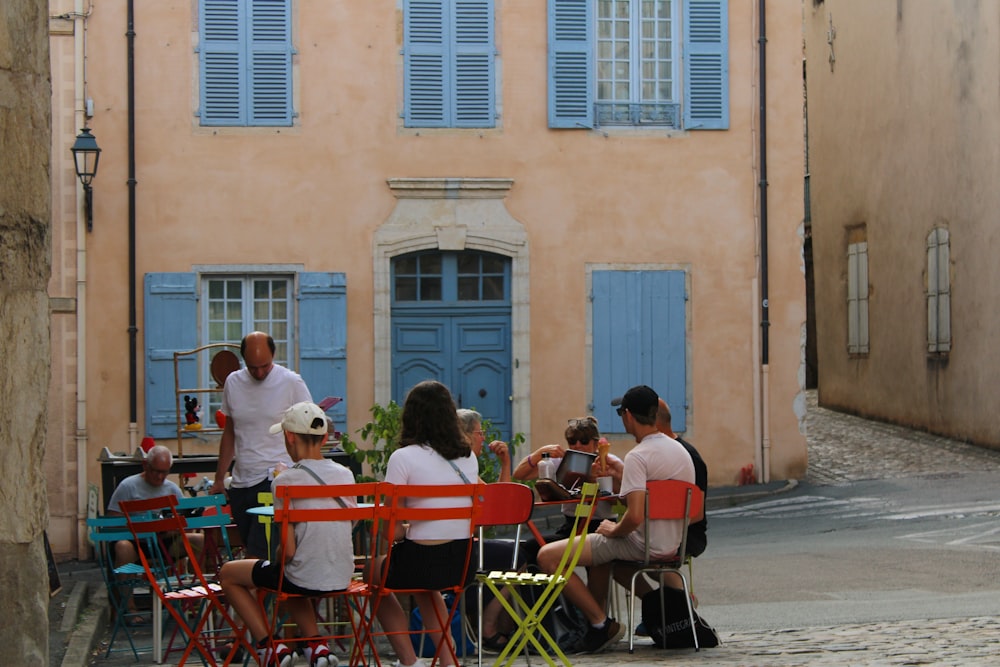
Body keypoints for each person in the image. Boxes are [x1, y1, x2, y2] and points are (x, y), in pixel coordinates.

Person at [536, 385, 697, 654]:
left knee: (547, 556)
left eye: (621, 412)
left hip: (642, 544)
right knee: (601, 557)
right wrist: (621, 478)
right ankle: (598, 623)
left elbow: (633, 516)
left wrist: (613, 529)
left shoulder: (639, 455)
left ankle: (600, 624)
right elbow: (648, 502)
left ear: (628, 416)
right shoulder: (681, 452)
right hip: (673, 545)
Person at [219, 401, 355, 667]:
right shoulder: (346, 475)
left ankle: (269, 646)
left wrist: (279, 558)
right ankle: (316, 647)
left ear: (289, 437)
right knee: (293, 576)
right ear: (325, 437)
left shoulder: (284, 481)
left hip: (303, 576)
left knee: (230, 573)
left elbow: (289, 551)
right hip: (342, 573)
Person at [480, 416, 625, 652]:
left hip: (600, 525)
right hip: (571, 526)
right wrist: (539, 453)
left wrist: (610, 477)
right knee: (523, 553)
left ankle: (596, 625)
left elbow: (627, 493)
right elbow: (520, 474)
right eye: (572, 441)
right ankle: (510, 625)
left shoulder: (609, 462)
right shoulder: (561, 461)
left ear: (596, 442)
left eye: (584, 441)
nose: (577, 446)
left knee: (598, 564)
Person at [368, 380, 479, 667]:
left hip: (421, 561)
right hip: (463, 560)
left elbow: (391, 532)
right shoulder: (468, 457)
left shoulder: (402, 458)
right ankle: (448, 658)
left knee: (372, 571)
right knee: (425, 584)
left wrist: (405, 529)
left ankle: (409, 660)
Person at [210, 331, 312, 558]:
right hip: (241, 481)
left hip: (275, 478)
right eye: (252, 367)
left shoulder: (291, 382)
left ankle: (264, 593)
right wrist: (219, 478)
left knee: (260, 555)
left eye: (264, 366)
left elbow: (308, 428)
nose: (259, 372)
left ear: (274, 355)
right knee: (253, 549)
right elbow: (230, 432)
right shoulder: (233, 382)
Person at [107, 445, 200, 620]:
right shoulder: (128, 486)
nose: (159, 477)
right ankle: (130, 608)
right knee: (122, 547)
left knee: (199, 540)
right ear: (145, 466)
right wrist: (140, 527)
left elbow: (186, 520)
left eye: (164, 472)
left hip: (166, 542)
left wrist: (172, 526)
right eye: (155, 471)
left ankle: (197, 599)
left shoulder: (173, 489)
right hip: (136, 543)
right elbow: (113, 521)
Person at [457, 408, 511, 483]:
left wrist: (505, 462)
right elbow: (500, 494)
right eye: (480, 433)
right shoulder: (466, 464)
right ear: (467, 435)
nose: (484, 438)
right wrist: (506, 464)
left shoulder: (458, 464)